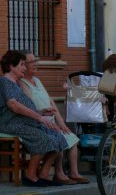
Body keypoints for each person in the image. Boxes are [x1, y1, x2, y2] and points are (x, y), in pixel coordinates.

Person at [19, 52, 89, 184]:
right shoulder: (22, 83)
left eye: (36, 61)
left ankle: (74, 173)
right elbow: (29, 106)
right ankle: (59, 173)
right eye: (32, 62)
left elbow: (50, 101)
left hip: (50, 120)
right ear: (23, 65)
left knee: (73, 140)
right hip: (39, 121)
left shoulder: (37, 80)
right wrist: (44, 117)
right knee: (60, 139)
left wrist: (61, 122)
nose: (35, 64)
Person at [0, 50, 68, 187]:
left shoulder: (16, 84)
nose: (25, 68)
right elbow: (13, 105)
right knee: (44, 139)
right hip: (10, 123)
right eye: (22, 65)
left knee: (59, 137)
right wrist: (39, 117)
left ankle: (43, 173)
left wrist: (41, 112)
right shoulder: (4, 82)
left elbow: (24, 108)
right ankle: (30, 175)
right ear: (11, 67)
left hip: (26, 122)